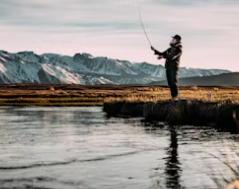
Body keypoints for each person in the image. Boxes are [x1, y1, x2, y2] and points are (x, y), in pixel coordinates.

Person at [151, 35, 183, 99]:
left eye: (173, 39)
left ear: (177, 41)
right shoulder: (170, 49)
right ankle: (173, 97)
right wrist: (154, 50)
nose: (172, 40)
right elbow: (163, 53)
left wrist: (163, 56)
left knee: (173, 82)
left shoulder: (179, 49)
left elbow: (172, 56)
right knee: (170, 83)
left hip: (173, 68)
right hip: (168, 67)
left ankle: (175, 97)